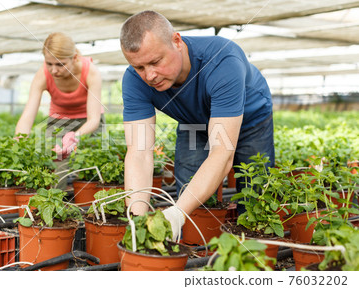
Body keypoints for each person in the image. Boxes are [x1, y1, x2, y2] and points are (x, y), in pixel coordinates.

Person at [120, 11, 274, 240]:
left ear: (177, 41)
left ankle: (251, 251)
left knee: (256, 193)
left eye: (155, 62)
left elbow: (222, 154)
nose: (149, 75)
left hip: (251, 120)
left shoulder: (222, 60)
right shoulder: (134, 80)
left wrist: (177, 212)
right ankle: (194, 247)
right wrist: (137, 221)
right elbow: (139, 153)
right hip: (194, 123)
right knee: (188, 187)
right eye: (139, 67)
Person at [15, 32, 104, 160]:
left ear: (74, 58)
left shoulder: (90, 72)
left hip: (89, 122)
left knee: (89, 165)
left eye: (60, 64)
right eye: (49, 64)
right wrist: (19, 141)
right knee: (56, 166)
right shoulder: (43, 75)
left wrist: (75, 136)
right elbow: (28, 115)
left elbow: (93, 120)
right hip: (59, 121)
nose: (54, 70)